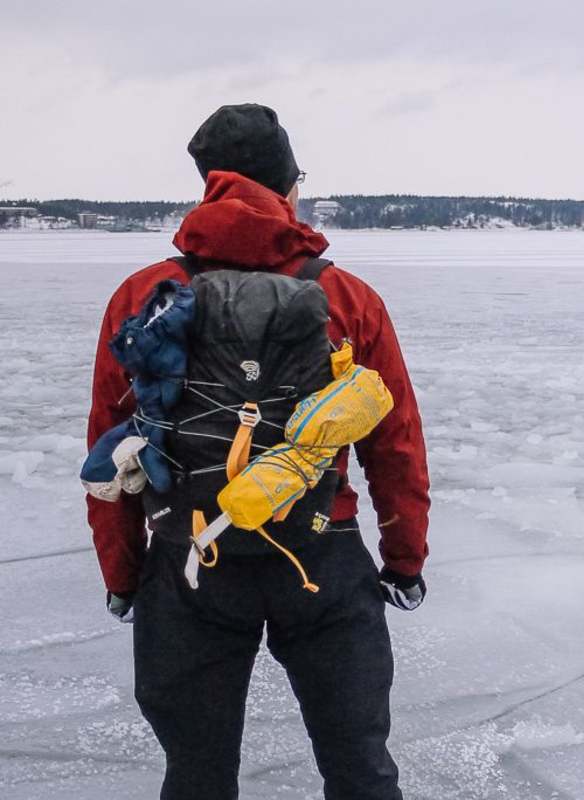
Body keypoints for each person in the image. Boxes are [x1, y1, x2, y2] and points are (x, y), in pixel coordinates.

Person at [85, 103, 430, 800]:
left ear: (209, 184)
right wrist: (404, 559)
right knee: (360, 770)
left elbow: (110, 449)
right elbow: (393, 444)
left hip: (189, 559)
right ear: (288, 186)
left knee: (198, 775)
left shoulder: (145, 296)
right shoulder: (346, 296)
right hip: (319, 555)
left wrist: (123, 576)